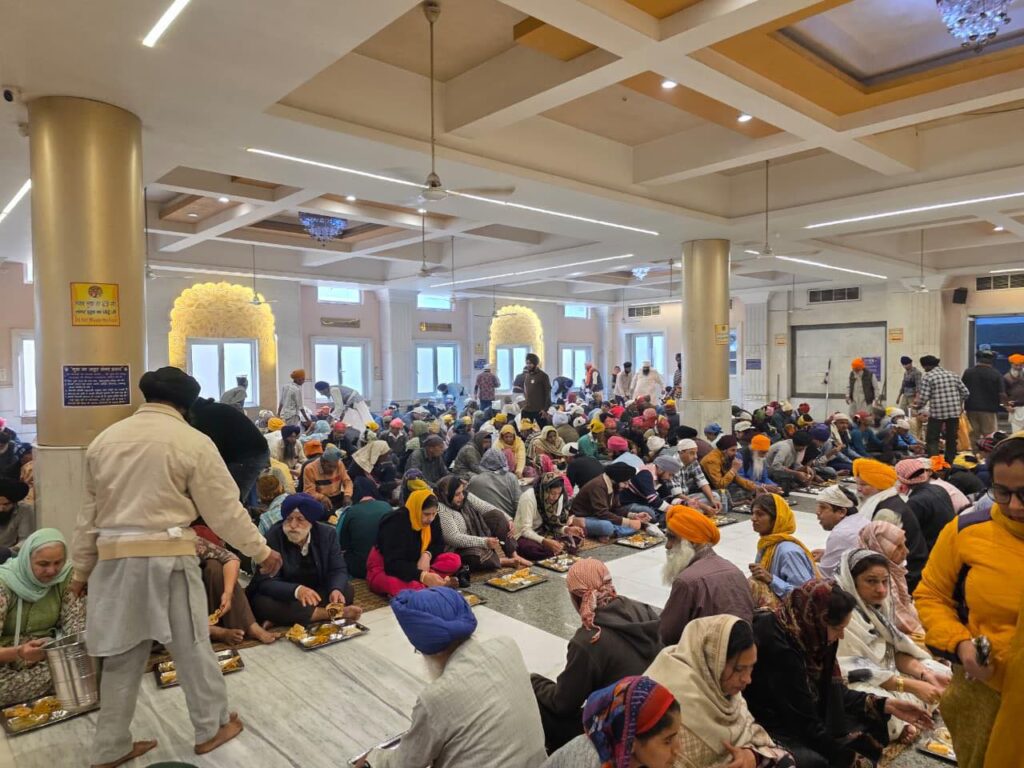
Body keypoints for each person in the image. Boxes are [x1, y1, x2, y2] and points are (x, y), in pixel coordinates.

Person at [70, 366, 282, 766]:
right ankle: (212, 727)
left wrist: (80, 570)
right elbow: (224, 510)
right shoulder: (193, 441)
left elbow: (88, 516)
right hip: (167, 558)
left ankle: (109, 747)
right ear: (187, 405)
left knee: (121, 656)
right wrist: (260, 550)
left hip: (113, 563)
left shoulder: (104, 441)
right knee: (193, 648)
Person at [914, 433, 1024, 768]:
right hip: (985, 692)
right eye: (1002, 492)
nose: (1014, 506)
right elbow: (931, 594)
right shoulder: (968, 531)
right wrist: (960, 645)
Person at [744, 580, 933, 768]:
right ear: (817, 618)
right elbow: (803, 723)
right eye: (837, 629)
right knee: (815, 762)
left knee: (872, 720)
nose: (841, 636)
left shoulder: (813, 633)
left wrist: (886, 705)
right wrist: (849, 760)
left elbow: (833, 692)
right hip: (772, 724)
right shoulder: (777, 645)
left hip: (804, 713)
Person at [356, 587, 546, 768]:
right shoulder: (507, 646)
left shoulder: (437, 697)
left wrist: (372, 759)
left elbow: (405, 763)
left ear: (425, 648)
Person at [532, 559, 662, 752]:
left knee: (541, 705)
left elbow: (563, 704)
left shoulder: (589, 639)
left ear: (575, 597)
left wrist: (535, 682)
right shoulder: (641, 608)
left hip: (622, 729)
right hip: (656, 710)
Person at [646, 617, 796, 768]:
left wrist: (752, 755)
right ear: (713, 662)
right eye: (739, 669)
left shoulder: (722, 691)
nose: (748, 679)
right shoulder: (672, 697)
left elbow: (758, 740)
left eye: (751, 668)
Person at [835, 549, 950, 742]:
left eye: (885, 581)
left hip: (889, 674)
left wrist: (925, 674)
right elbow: (852, 672)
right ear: (851, 581)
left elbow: (893, 652)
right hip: (855, 681)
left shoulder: (880, 606)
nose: (881, 589)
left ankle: (912, 715)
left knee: (941, 673)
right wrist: (911, 686)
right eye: (871, 581)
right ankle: (907, 719)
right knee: (882, 711)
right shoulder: (842, 612)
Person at [0, 528, 86, 708]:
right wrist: (19, 652)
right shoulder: (4, 584)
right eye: (43, 564)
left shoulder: (66, 577)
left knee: (85, 665)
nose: (52, 570)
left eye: (58, 562)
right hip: (6, 663)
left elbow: (76, 631)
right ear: (26, 560)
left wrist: (57, 653)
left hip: (49, 659)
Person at [247, 493, 358, 627]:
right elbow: (266, 582)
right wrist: (297, 590)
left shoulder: (327, 534)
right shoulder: (273, 536)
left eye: (300, 519)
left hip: (314, 591)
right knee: (262, 603)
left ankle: (285, 618)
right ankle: (327, 613)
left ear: (311, 521)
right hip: (286, 595)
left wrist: (336, 589)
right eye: (289, 519)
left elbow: (338, 569)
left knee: (346, 589)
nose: (293, 525)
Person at [659, 505, 753, 646]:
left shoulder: (686, 581)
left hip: (705, 655)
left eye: (672, 538)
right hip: (742, 652)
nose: (667, 546)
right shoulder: (735, 570)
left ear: (693, 542)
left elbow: (667, 635)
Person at [541, 675, 681, 768]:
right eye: (667, 741)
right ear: (630, 742)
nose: (677, 750)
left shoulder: (628, 757)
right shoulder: (591, 761)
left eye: (677, 736)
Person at [367, 489, 462, 597]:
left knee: (454, 560)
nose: (431, 519)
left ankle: (431, 581)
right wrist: (422, 576)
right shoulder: (396, 522)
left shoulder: (433, 518)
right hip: (387, 567)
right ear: (416, 509)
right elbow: (393, 565)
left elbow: (439, 543)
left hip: (417, 563)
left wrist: (427, 554)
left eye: (433, 514)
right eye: (426, 514)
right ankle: (432, 581)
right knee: (409, 587)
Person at [194, 536, 277, 645]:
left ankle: (250, 626)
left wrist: (227, 593)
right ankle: (215, 631)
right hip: (179, 612)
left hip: (203, 594)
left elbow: (230, 558)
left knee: (215, 566)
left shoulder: (188, 540)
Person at [189, 396, 271, 504]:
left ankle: (244, 511)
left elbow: (214, 453)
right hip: (248, 452)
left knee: (231, 497)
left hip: (250, 455)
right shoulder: (208, 410)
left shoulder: (205, 418)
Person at [435, 475, 525, 571]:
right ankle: (502, 561)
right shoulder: (441, 509)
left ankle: (513, 555)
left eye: (462, 492)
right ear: (447, 494)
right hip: (457, 549)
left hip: (474, 538)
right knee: (476, 556)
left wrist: (508, 519)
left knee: (497, 516)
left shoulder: (465, 497)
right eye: (457, 494)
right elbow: (454, 538)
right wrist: (484, 542)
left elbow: (486, 507)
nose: (462, 496)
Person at [748, 493, 819, 605]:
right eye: (752, 513)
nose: (753, 519)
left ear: (777, 519)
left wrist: (771, 579)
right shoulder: (767, 544)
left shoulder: (788, 552)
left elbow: (804, 595)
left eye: (760, 514)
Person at [858, 522, 924, 636]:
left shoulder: (895, 572)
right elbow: (902, 623)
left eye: (904, 544)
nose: (906, 551)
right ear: (880, 548)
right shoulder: (881, 579)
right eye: (898, 547)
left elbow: (907, 608)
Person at [514, 472, 584, 560]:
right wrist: (544, 541)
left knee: (578, 534)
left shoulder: (557, 498)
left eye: (558, 493)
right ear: (545, 490)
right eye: (552, 493)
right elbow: (525, 530)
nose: (555, 497)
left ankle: (558, 548)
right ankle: (560, 548)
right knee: (532, 549)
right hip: (525, 535)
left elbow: (553, 524)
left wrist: (566, 529)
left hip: (545, 531)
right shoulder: (528, 498)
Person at [916, 355, 969, 464]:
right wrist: (958, 405)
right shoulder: (953, 374)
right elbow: (965, 393)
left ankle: (936, 464)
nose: (924, 369)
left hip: (937, 413)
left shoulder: (928, 377)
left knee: (932, 439)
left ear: (926, 366)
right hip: (954, 413)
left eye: (924, 367)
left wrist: (918, 406)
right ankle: (950, 462)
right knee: (951, 439)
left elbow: (924, 397)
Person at [572, 464, 646, 538]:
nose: (627, 486)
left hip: (599, 517)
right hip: (585, 517)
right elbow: (602, 513)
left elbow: (615, 509)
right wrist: (629, 522)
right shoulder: (598, 485)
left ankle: (608, 533)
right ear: (615, 480)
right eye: (625, 483)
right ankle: (607, 532)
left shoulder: (615, 486)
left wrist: (634, 516)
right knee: (607, 527)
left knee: (635, 525)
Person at [895, 458, 954, 550]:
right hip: (950, 543)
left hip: (933, 550)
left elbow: (908, 533)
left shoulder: (916, 501)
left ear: (902, 479)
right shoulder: (939, 488)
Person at [812, 485, 868, 578]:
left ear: (842, 512)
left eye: (823, 507)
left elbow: (825, 576)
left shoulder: (841, 534)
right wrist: (827, 554)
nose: (817, 512)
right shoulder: (861, 519)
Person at [962, 349, 1010, 450]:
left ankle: (974, 455)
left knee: (973, 434)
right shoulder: (996, 374)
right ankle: (988, 456)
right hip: (989, 410)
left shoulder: (968, 372)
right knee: (990, 435)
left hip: (971, 408)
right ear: (992, 360)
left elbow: (962, 390)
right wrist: (1006, 405)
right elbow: (1002, 394)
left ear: (978, 359)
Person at [336, 493, 392, 579]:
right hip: (388, 566)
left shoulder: (351, 511)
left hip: (360, 569)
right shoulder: (387, 506)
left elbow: (342, 545)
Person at [701, 435, 758, 501]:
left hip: (721, 487)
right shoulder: (712, 460)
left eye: (736, 450)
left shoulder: (726, 457)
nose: (735, 453)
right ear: (724, 450)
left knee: (750, 489)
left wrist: (755, 487)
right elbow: (719, 485)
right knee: (743, 492)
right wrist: (733, 469)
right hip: (708, 490)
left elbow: (736, 478)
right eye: (733, 450)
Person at [302, 444, 353, 512]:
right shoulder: (310, 469)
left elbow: (347, 481)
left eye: (335, 467)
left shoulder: (339, 464)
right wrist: (322, 497)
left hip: (337, 497)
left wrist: (347, 495)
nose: (333, 470)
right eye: (330, 466)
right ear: (323, 462)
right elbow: (309, 492)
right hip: (319, 500)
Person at [0, 479, 34, 563]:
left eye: (6, 504)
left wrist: (9, 551)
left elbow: (25, 539)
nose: (1, 509)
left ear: (14, 503)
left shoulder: (24, 510)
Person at [521, 353, 553, 423]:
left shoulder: (543, 376)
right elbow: (526, 392)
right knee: (524, 428)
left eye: (530, 363)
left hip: (539, 411)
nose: (528, 365)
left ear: (535, 363)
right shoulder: (527, 376)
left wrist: (545, 409)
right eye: (527, 363)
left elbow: (548, 394)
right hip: (527, 409)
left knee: (542, 429)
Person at [1005, 353, 1024, 433]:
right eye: (1016, 365)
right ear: (1011, 364)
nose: (1018, 367)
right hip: (1014, 409)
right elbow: (1003, 393)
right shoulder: (1006, 377)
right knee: (1016, 434)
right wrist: (1006, 406)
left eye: (1021, 365)